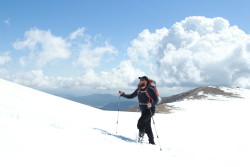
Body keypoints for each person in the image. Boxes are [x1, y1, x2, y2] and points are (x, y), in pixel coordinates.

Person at [119, 76, 159, 144]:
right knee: (147, 126)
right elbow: (131, 96)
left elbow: (156, 99)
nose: (140, 81)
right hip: (143, 110)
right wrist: (123, 94)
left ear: (146, 81)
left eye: (142, 80)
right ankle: (151, 142)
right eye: (140, 80)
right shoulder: (139, 89)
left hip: (150, 110)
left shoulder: (149, 89)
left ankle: (140, 139)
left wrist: (151, 104)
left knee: (141, 122)